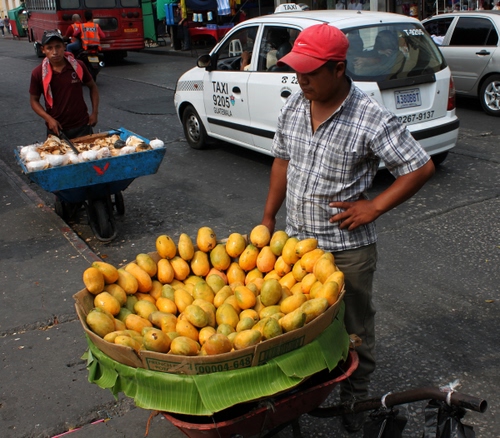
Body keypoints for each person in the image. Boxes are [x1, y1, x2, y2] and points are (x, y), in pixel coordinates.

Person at [261, 23, 435, 433]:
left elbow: (419, 167)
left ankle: (355, 395)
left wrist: (374, 206)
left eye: (310, 72)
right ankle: (307, 385)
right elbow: (282, 161)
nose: (301, 80)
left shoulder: (370, 117)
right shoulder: (295, 106)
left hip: (346, 249)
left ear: (338, 69)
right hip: (297, 245)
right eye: (297, 71)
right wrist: (269, 217)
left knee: (355, 327)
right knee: (299, 323)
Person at [29, 30, 100, 139]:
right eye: (49, 48)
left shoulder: (78, 66)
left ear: (64, 47)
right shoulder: (38, 73)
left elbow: (93, 87)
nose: (55, 52)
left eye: (58, 47)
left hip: (82, 126)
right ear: (43, 50)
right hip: (57, 129)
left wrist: (95, 113)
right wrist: (48, 119)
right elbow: (34, 100)